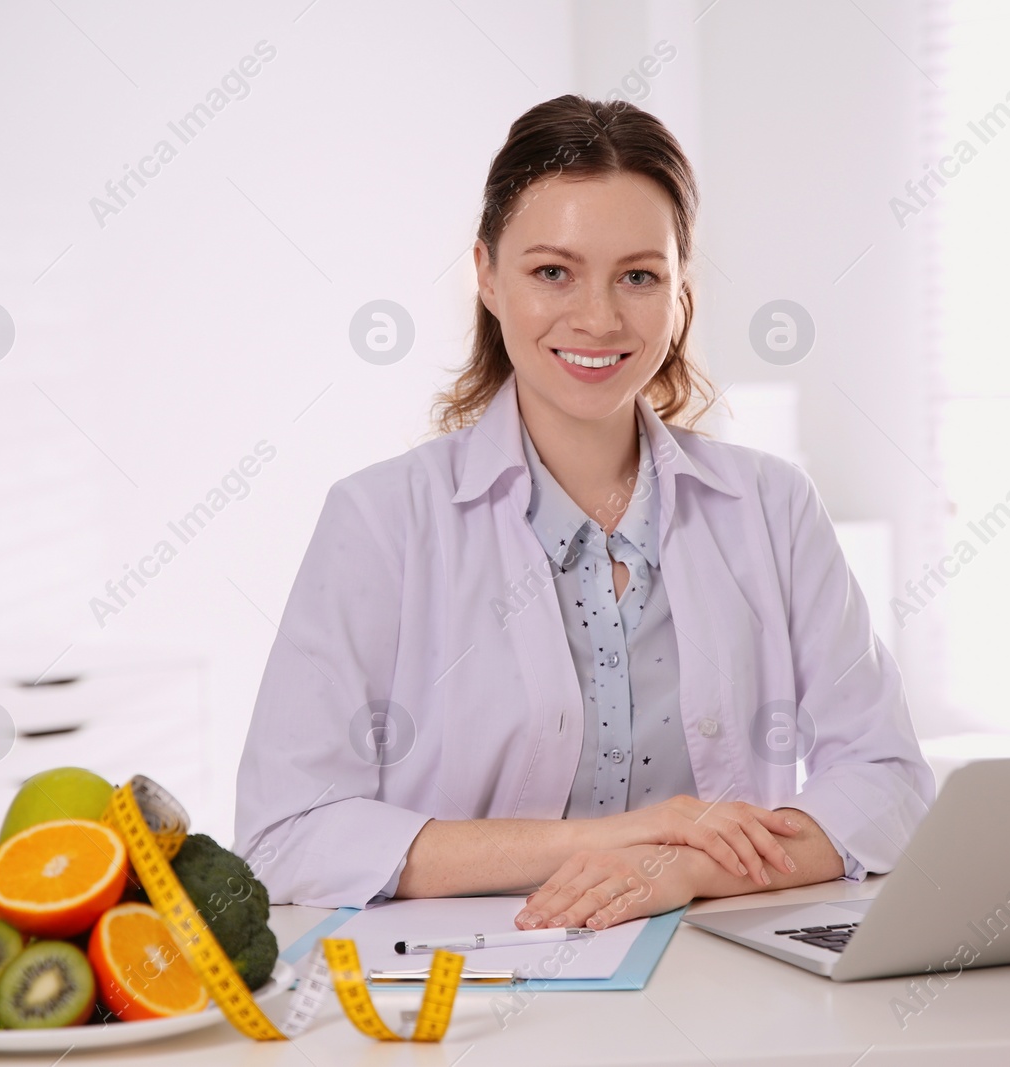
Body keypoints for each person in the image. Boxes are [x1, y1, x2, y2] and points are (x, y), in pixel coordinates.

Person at [234, 94, 934, 933]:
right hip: (469, 992)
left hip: (724, 978)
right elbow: (286, 834)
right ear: (487, 276)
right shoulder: (381, 520)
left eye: (639, 276)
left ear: (681, 294)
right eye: (552, 271)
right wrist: (622, 835)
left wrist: (678, 871)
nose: (598, 318)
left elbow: (888, 782)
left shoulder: (772, 507)